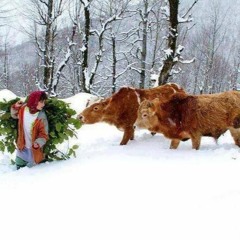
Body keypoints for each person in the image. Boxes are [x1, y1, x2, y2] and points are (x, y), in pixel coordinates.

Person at [11, 91, 49, 169]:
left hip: (34, 149)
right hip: (22, 146)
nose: (43, 104)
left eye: (44, 102)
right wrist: (15, 107)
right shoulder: (23, 109)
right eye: (41, 102)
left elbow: (44, 134)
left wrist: (38, 143)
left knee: (33, 172)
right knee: (19, 167)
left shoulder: (42, 117)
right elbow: (14, 115)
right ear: (34, 101)